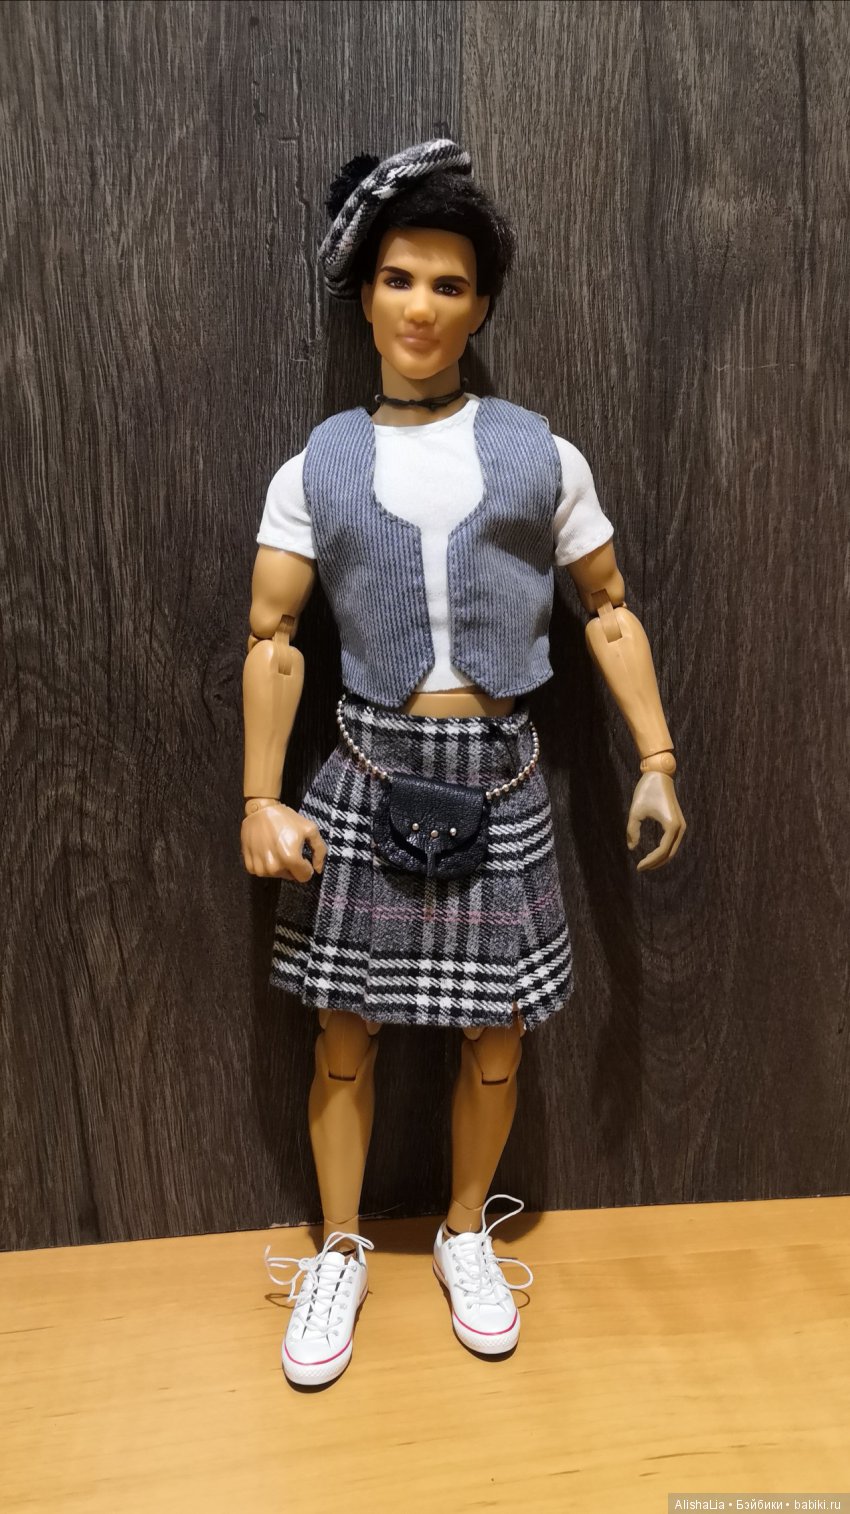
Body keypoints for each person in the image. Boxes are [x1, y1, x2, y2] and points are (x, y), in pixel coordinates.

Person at [242, 138, 686, 1388]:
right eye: (398, 279)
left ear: (481, 304)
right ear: (363, 294)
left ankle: (461, 1230)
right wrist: (259, 797)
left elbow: (606, 606)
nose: (422, 306)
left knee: (498, 1037)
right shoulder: (316, 465)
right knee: (343, 1032)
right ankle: (338, 1245)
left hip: (500, 770)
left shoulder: (543, 454)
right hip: (366, 766)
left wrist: (655, 754)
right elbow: (273, 635)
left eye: (449, 284)